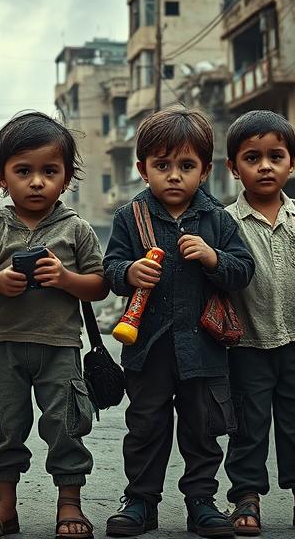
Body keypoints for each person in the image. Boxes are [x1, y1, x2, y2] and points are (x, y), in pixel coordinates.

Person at [103, 107, 255, 539]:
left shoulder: (218, 219)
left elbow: (243, 270)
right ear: (142, 169)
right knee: (146, 426)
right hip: (147, 347)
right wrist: (129, 273)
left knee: (202, 428)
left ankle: (201, 502)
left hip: (203, 349)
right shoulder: (129, 218)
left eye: (186, 166)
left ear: (205, 170)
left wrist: (213, 258)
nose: (174, 175)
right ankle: (140, 502)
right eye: (162, 165)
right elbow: (109, 268)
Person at [0, 111, 108, 539]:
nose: (37, 181)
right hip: (5, 347)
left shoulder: (76, 229)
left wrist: (65, 278)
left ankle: (69, 505)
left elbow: (98, 286)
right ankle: (5, 507)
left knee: (65, 428)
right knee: (5, 428)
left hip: (61, 348)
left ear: (66, 178)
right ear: (1, 177)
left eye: (49, 171)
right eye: (23, 171)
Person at [222, 110, 295, 537]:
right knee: (248, 426)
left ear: (293, 162)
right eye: (252, 157)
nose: (265, 166)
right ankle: (245, 497)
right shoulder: (226, 223)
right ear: (233, 168)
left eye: (276, 156)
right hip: (248, 345)